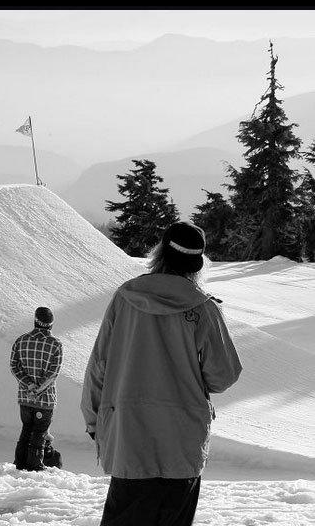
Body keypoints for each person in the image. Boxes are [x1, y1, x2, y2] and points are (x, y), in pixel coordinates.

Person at [81, 221, 242, 526]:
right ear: (197, 264)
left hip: (129, 438)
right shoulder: (203, 307)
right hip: (182, 443)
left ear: (159, 254)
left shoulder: (125, 298)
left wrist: (94, 422)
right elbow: (223, 375)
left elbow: (99, 364)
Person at [10, 306, 63, 471]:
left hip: (25, 397)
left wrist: (29, 385)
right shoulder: (56, 344)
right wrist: (39, 390)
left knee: (26, 429)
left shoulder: (21, 340)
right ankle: (35, 466)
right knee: (39, 432)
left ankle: (19, 463)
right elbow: (53, 374)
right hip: (45, 399)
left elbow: (14, 367)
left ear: (35, 321)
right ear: (51, 324)